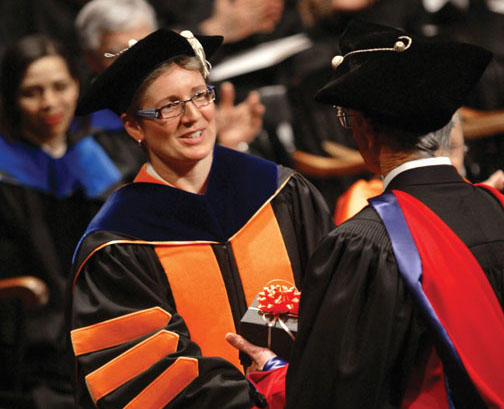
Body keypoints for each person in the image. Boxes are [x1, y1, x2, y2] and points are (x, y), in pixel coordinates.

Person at [69, 28, 334, 409]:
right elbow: (147, 380)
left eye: (199, 95)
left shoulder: (281, 193)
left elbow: (335, 304)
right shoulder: (118, 245)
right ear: (133, 126)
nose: (192, 116)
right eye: (169, 106)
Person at [282, 19, 504, 408]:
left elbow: (332, 395)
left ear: (365, 130)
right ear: (449, 131)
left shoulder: (365, 242)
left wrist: (270, 371)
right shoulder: (496, 208)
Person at [0, 33, 128, 408]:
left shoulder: (100, 155)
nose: (50, 103)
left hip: (107, 328)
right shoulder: (6, 172)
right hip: (31, 344)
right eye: (31, 92)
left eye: (60, 87)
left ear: (78, 86)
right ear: (11, 99)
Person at [75, 0, 266, 153]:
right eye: (120, 53)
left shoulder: (191, 96)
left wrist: (226, 145)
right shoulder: (91, 137)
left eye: (145, 48)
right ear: (91, 58)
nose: (139, 63)